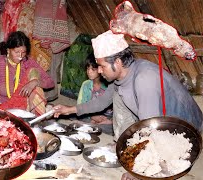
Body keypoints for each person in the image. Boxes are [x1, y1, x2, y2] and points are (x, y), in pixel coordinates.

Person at [53, 30, 203, 177]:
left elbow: (149, 128)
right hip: (155, 122)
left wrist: (138, 169)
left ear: (117, 62)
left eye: (102, 66)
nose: (99, 71)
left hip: (183, 130)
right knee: (118, 94)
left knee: (161, 168)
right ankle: (121, 143)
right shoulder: (121, 75)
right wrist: (69, 109)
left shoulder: (144, 78)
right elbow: (101, 102)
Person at [0, 31, 54, 115]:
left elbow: (51, 83)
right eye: (16, 52)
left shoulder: (28, 62)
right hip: (2, 104)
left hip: (22, 107)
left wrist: (34, 82)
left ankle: (34, 114)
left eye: (23, 52)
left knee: (34, 76)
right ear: (8, 50)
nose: (20, 56)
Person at [77, 53, 113, 134]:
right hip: (89, 115)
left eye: (93, 69)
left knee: (113, 127)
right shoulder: (86, 85)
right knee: (78, 116)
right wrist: (92, 117)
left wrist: (109, 120)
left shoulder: (110, 86)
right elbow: (80, 106)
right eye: (87, 68)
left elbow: (117, 109)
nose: (89, 72)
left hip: (107, 118)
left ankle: (90, 126)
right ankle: (90, 125)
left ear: (101, 69)